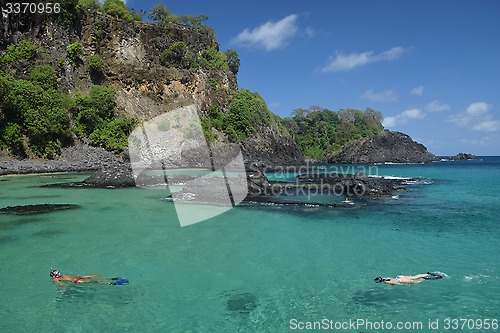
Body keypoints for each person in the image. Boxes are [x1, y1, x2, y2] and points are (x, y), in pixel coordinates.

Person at [50, 268, 128, 289]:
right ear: (54, 275)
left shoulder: (59, 276)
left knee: (94, 275)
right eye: (56, 272)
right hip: (77, 280)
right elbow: (60, 284)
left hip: (78, 277)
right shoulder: (56, 279)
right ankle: (112, 284)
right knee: (94, 281)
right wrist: (63, 288)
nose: (58, 272)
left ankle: (111, 279)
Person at [374, 272, 442, 285]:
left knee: (416, 282)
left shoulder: (386, 282)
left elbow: (396, 282)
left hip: (400, 280)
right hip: (399, 276)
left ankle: (425, 278)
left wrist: (404, 285)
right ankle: (428, 274)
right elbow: (392, 279)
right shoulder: (385, 278)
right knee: (414, 277)